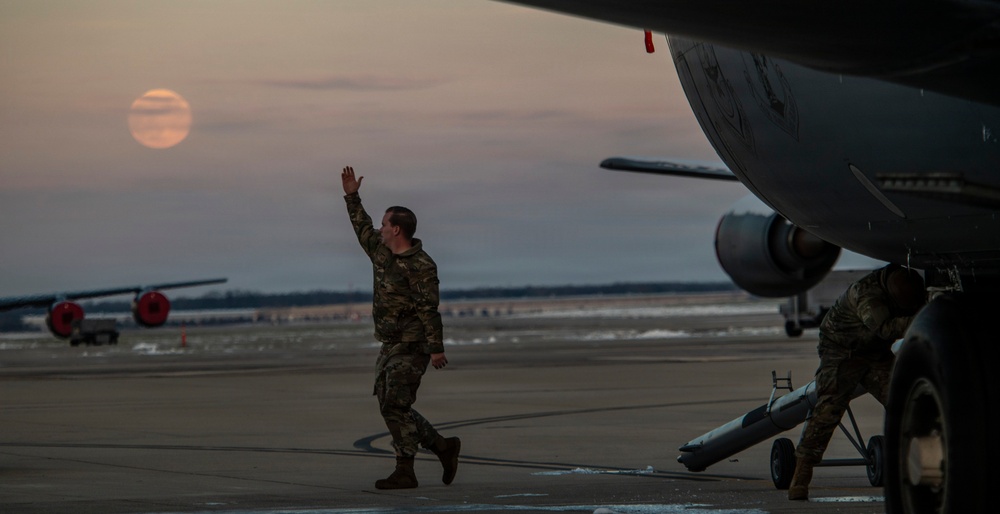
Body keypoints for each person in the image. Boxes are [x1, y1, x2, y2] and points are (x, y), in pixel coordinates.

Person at [340, 165, 460, 490]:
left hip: (414, 344)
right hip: (390, 343)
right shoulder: (381, 254)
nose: (379, 229)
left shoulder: (421, 265)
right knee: (390, 402)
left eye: (384, 224)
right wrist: (352, 196)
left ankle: (405, 470)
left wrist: (436, 348)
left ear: (396, 229)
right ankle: (441, 446)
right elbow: (361, 226)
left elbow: (428, 309)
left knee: (394, 404)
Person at [788, 264, 925, 500]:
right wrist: (923, 317)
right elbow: (884, 328)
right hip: (841, 353)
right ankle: (801, 476)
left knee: (906, 401)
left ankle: (922, 466)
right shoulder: (866, 295)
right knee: (827, 411)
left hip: (875, 354)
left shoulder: (906, 285)